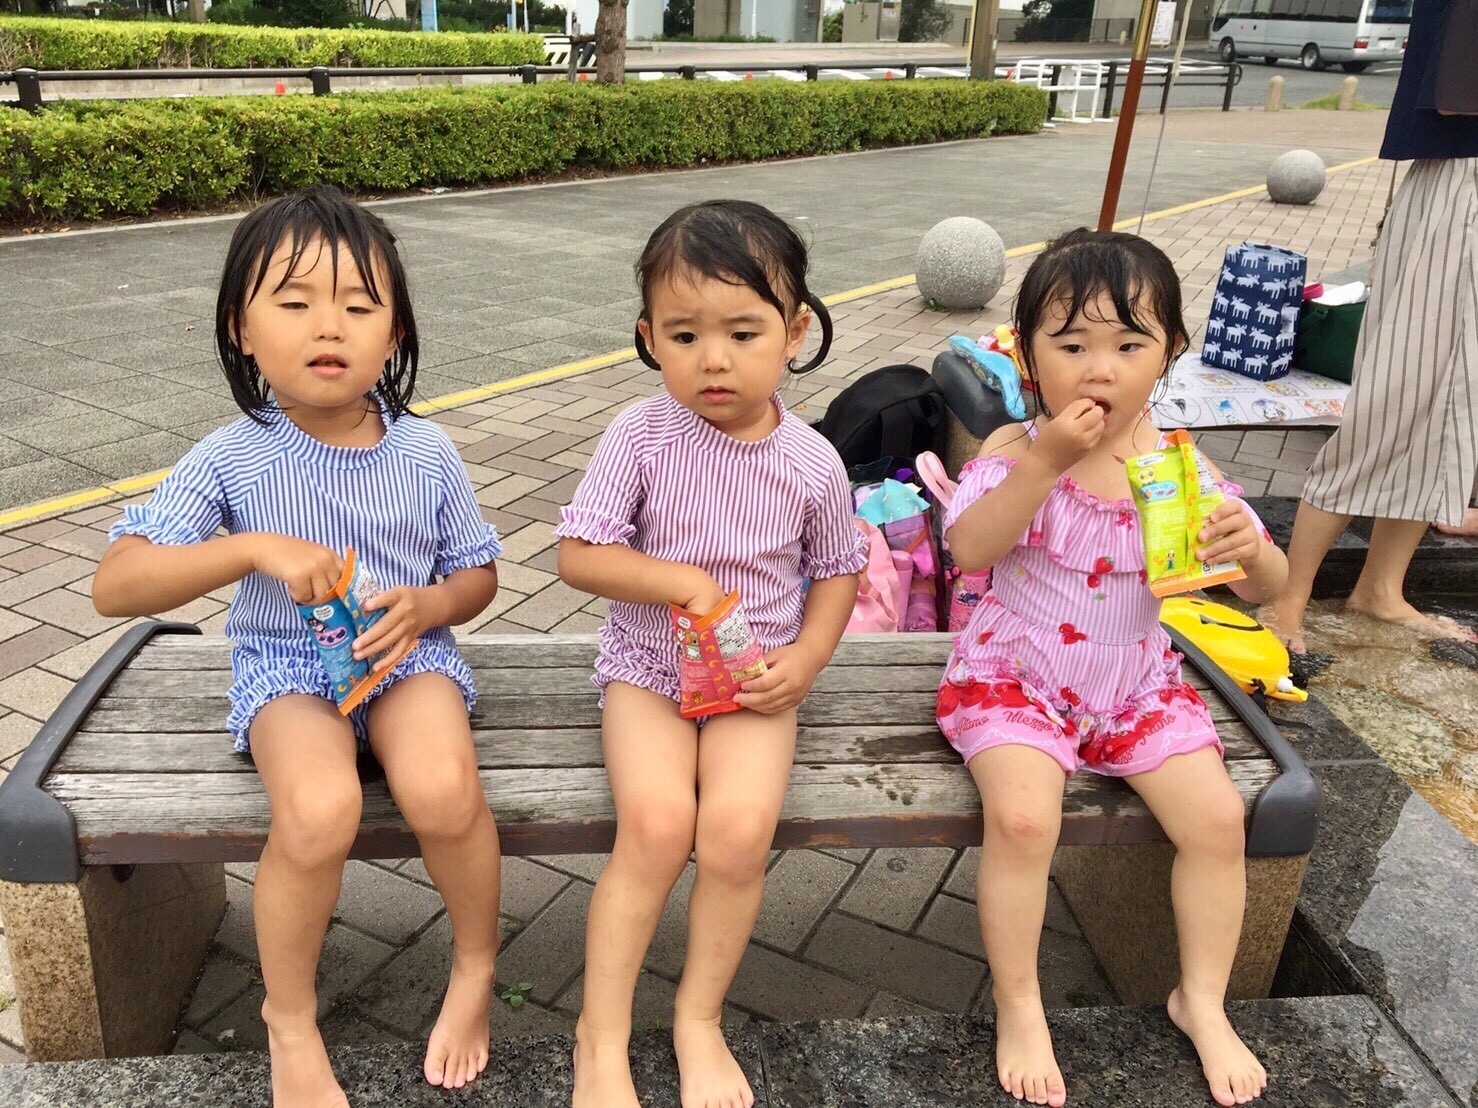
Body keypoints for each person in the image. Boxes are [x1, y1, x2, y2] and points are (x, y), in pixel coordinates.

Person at [91, 187, 504, 1108]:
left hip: (406, 660)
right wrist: (248, 550)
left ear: (395, 334)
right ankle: (289, 1018)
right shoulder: (231, 457)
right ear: (240, 329)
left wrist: (431, 605)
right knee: (319, 811)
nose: (329, 325)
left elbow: (478, 576)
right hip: (287, 673)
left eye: (359, 305)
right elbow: (116, 584)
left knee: (443, 789)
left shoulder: (426, 451)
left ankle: (476, 966)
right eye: (294, 301)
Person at [939, 230, 1287, 1108]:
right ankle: (1021, 1004)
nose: (1101, 369)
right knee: (1024, 819)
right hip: (1015, 677)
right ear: (1027, 355)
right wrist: (1045, 462)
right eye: (1072, 345)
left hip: (1135, 684)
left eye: (1130, 345)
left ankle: (1200, 999)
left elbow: (1264, 587)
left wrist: (1252, 550)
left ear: (1170, 352)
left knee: (1219, 822)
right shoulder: (1015, 451)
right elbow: (970, 549)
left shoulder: (1179, 467)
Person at [556, 200, 866, 1108]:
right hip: (649, 673)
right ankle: (600, 1034)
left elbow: (837, 571)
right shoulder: (640, 435)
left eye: (743, 331)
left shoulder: (812, 460)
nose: (714, 359)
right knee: (655, 827)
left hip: (756, 680)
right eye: (685, 335)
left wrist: (807, 660)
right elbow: (580, 556)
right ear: (649, 337)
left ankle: (699, 1017)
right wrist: (676, 581)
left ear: (794, 332)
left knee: (735, 837)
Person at [1265, 0, 1478, 651]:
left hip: (1462, 174)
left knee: (1454, 407)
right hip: (1463, 176)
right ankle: (1289, 596)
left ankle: (1381, 587)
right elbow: (1458, 86)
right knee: (1398, 393)